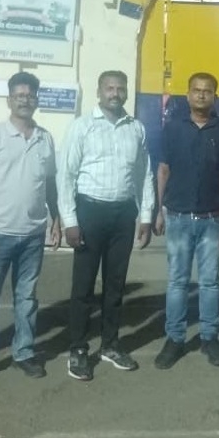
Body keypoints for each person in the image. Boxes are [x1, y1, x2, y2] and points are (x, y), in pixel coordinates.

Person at [57, 70, 156, 381]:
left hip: (123, 215)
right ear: (98, 93)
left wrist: (146, 216)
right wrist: (70, 221)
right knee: (83, 288)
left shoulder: (135, 128)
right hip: (89, 212)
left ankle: (110, 344)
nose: (115, 93)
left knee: (115, 286)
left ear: (126, 93)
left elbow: (145, 175)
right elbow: (66, 176)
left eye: (120, 88)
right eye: (109, 88)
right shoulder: (82, 127)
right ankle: (77, 348)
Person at [0, 72, 59, 389]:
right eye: (19, 95)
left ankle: (24, 352)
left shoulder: (45, 138)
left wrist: (55, 218)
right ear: (9, 100)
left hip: (32, 234)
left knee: (27, 299)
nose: (25, 99)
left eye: (30, 95)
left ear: (36, 99)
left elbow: (49, 184)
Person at [152, 72, 219, 370]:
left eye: (208, 91)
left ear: (215, 96)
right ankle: (175, 338)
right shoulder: (172, 129)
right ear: (188, 95)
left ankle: (209, 337)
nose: (202, 95)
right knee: (177, 282)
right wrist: (156, 211)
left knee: (210, 283)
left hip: (212, 220)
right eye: (196, 90)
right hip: (177, 217)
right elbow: (163, 170)